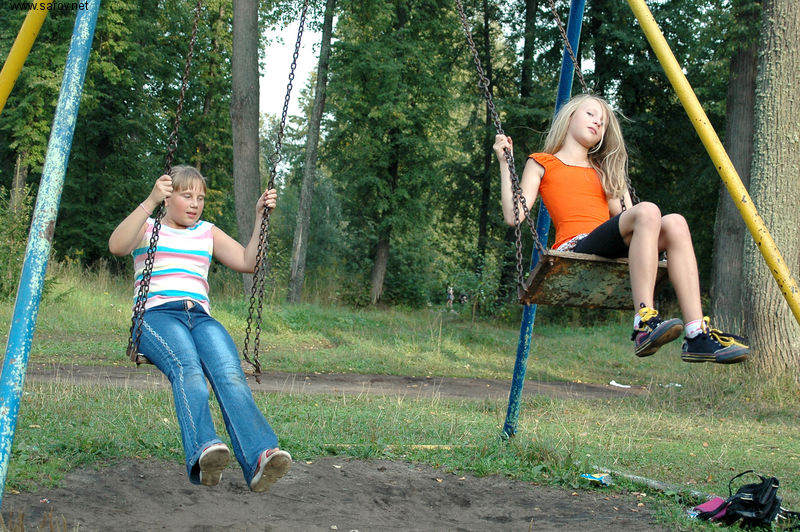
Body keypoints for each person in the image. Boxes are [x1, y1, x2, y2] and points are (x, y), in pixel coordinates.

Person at [494, 94, 749, 364]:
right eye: (590, 114)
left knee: (675, 222)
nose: (597, 122)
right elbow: (514, 215)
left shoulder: (602, 169)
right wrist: (504, 162)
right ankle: (643, 322)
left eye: (603, 122)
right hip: (576, 246)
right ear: (569, 117)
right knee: (648, 211)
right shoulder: (542, 162)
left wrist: (615, 177)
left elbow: (627, 217)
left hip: (611, 244)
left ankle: (697, 334)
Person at [108, 165, 291, 490]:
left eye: (200, 198)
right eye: (186, 195)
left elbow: (248, 262)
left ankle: (260, 457)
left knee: (230, 375)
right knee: (188, 369)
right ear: (167, 196)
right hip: (156, 316)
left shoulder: (207, 232)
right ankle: (205, 449)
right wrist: (150, 201)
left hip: (200, 318)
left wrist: (260, 218)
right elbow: (116, 245)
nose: (195, 204)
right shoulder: (148, 227)